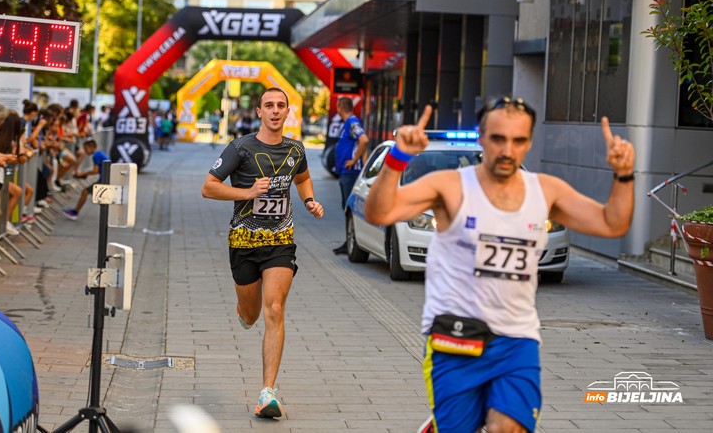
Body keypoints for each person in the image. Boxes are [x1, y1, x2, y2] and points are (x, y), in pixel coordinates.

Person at [364, 97, 635, 433]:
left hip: (516, 339)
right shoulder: (450, 186)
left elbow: (612, 224)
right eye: (498, 139)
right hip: (456, 336)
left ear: (529, 143)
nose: (508, 149)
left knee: (508, 428)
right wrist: (397, 159)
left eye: (518, 140)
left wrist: (624, 175)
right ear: (481, 137)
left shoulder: (546, 191)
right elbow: (379, 213)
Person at [201, 87, 324, 419]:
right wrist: (248, 191)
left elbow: (303, 178)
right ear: (259, 111)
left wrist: (310, 200)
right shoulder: (241, 148)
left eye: (280, 106)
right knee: (253, 313)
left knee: (275, 308)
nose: (274, 110)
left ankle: (267, 392)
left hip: (280, 242)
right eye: (268, 105)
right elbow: (208, 187)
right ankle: (243, 309)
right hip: (243, 242)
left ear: (287, 113)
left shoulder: (295, 149)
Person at [332, 97, 369, 255]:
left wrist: (354, 160)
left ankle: (352, 243)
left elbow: (364, 140)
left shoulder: (352, 122)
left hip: (350, 172)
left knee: (350, 208)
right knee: (348, 207)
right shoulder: (349, 123)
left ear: (340, 107)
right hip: (348, 172)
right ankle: (350, 241)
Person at [62, 139, 110, 220]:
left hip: (105, 179)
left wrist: (82, 174)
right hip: (106, 178)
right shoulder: (100, 154)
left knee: (85, 192)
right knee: (99, 196)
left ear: (91, 147)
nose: (85, 151)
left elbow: (95, 170)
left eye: (86, 148)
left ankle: (75, 213)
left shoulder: (96, 155)